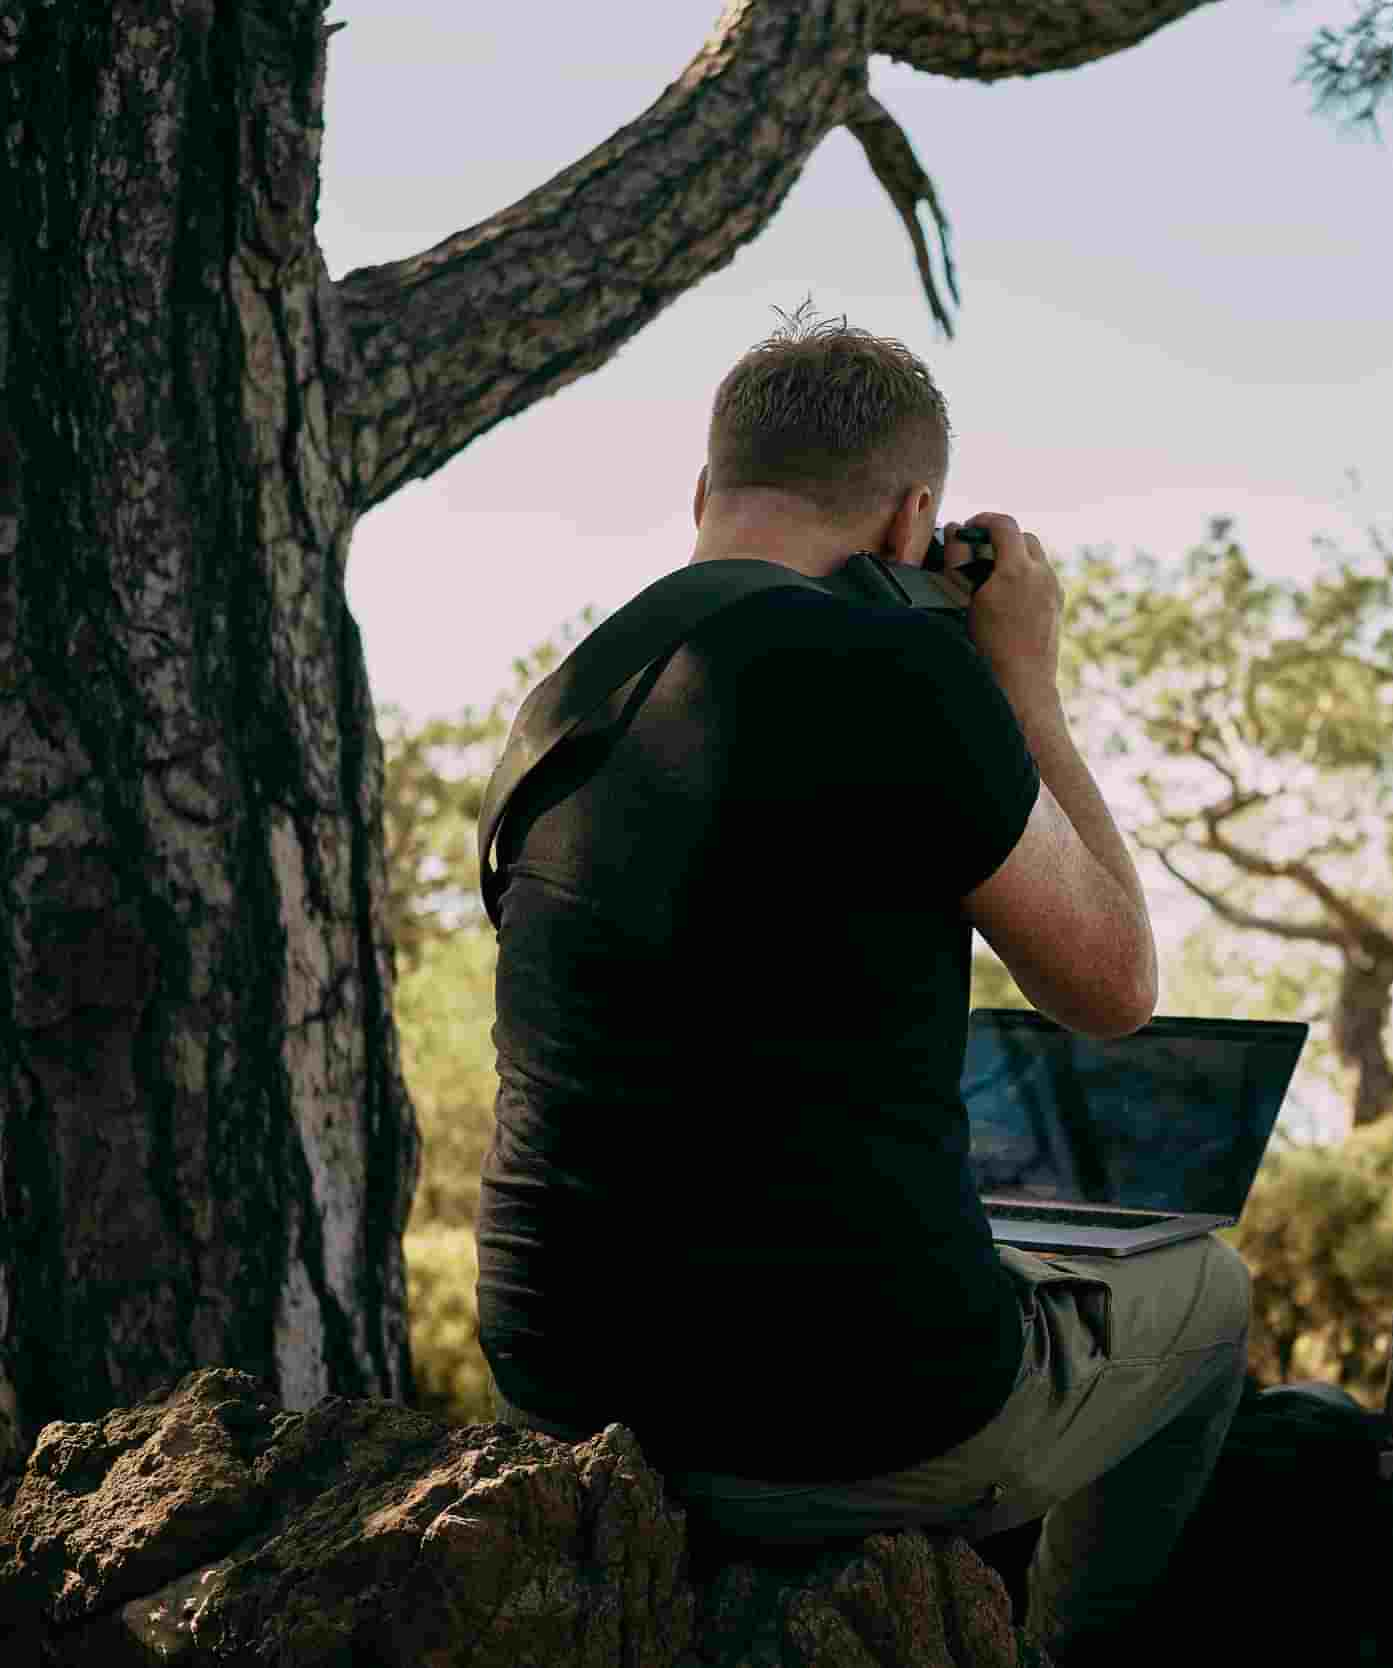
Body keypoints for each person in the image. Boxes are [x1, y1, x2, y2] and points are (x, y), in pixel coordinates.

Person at [473, 311, 1251, 1660]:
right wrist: (1029, 685)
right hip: (842, 1422)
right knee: (1212, 1292)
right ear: (910, 527)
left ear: (706, 494)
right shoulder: (903, 677)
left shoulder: (557, 702)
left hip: (565, 1379)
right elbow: (1114, 985)